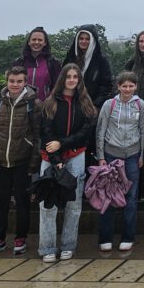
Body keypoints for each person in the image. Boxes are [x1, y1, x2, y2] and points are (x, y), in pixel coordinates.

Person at [0, 66, 40, 257]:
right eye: (12, 81)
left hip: (22, 160)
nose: (15, 85)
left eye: (19, 81)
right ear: (7, 82)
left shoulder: (34, 104)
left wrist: (33, 164)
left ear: (25, 82)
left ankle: (21, 237)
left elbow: (37, 136)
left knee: (22, 201)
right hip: (0, 159)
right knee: (1, 201)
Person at [38, 63, 97, 263]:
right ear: (63, 78)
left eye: (75, 77)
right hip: (50, 158)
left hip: (75, 155)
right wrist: (56, 159)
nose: (72, 80)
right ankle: (47, 247)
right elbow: (45, 133)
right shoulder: (50, 103)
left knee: (74, 204)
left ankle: (68, 245)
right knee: (48, 205)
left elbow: (84, 135)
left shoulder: (86, 103)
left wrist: (62, 144)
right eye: (69, 76)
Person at [96, 71, 144, 252]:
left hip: (133, 155)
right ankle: (105, 237)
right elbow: (100, 131)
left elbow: (143, 130)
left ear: (135, 87)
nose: (127, 89)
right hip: (111, 154)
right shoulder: (109, 105)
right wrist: (100, 156)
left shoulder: (141, 105)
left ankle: (128, 236)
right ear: (118, 87)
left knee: (131, 198)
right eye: (124, 86)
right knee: (108, 197)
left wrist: (142, 156)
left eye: (131, 86)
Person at [63, 24, 113, 109]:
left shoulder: (101, 61)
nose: (84, 41)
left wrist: (96, 105)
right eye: (81, 38)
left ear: (93, 41)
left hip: (92, 107)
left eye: (87, 39)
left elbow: (106, 86)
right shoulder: (70, 58)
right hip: (70, 105)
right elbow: (62, 80)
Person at [13, 27, 60, 102]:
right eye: (34, 39)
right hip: (21, 107)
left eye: (40, 40)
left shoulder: (53, 63)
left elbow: (57, 87)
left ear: (45, 43)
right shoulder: (19, 62)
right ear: (29, 42)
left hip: (45, 108)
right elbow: (13, 84)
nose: (37, 42)